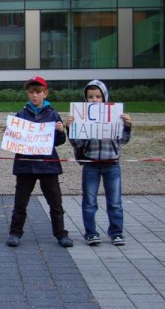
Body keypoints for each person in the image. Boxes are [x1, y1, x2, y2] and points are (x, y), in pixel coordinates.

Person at [5, 76, 73, 248]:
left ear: (45, 93)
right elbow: (16, 141)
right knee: (20, 203)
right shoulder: (21, 114)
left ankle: (61, 234)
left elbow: (58, 142)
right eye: (31, 92)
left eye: (38, 92)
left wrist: (60, 131)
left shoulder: (52, 114)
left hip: (48, 165)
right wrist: (10, 133)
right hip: (25, 166)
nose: (34, 95)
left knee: (55, 203)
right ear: (27, 94)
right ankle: (15, 233)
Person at [65, 80, 132, 246]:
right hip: (91, 164)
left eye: (98, 96)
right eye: (90, 97)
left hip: (112, 164)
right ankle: (91, 233)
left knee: (115, 202)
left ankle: (116, 233)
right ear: (86, 99)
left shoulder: (115, 116)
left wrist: (127, 126)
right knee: (89, 201)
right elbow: (77, 144)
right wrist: (70, 129)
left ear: (104, 97)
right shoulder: (82, 117)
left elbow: (123, 140)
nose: (94, 100)